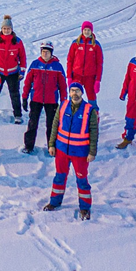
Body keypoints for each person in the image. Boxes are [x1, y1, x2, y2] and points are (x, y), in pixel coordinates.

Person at [44, 83, 100, 221]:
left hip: (80, 153)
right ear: (69, 93)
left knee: (82, 180)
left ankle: (85, 207)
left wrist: (92, 152)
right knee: (59, 177)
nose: (74, 93)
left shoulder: (89, 110)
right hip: (62, 150)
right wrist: (51, 144)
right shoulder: (62, 106)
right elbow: (55, 126)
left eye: (77, 91)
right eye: (72, 91)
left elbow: (94, 132)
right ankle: (54, 202)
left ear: (82, 93)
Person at [21, 41, 67, 154]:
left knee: (51, 125)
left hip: (51, 101)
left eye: (47, 52)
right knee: (32, 124)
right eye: (43, 51)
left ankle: (52, 147)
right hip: (36, 99)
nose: (44, 54)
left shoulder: (57, 66)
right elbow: (27, 83)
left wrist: (63, 101)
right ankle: (28, 146)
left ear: (51, 53)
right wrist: (25, 97)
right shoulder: (35, 64)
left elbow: (63, 86)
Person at [0, 15, 28, 123]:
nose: (6, 30)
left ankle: (18, 116)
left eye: (8, 28)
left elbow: (23, 57)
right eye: (4, 28)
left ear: (12, 29)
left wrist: (22, 71)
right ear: (1, 29)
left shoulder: (18, 42)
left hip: (13, 72)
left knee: (14, 95)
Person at [67, 21, 103, 109]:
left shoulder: (96, 45)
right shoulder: (76, 43)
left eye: (88, 30)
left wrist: (98, 80)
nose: (86, 32)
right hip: (77, 75)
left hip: (90, 77)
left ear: (91, 31)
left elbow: (99, 64)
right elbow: (70, 60)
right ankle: (71, 115)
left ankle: (94, 117)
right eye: (85, 30)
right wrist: (69, 77)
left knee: (92, 97)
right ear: (82, 30)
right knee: (74, 96)